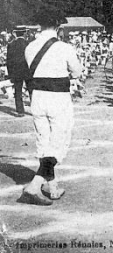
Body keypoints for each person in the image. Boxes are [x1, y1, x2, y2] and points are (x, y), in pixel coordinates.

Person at [19, 11, 82, 206]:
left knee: (44, 141)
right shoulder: (64, 47)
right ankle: (35, 185)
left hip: (37, 97)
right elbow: (77, 71)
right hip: (58, 97)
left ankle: (52, 187)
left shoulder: (30, 47)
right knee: (58, 141)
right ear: (58, 28)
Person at [6, 28, 30, 116]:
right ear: (24, 33)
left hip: (16, 70)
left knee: (18, 91)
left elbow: (8, 61)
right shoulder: (28, 44)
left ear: (15, 33)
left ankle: (20, 110)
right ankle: (35, 109)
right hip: (28, 70)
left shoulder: (11, 44)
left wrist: (10, 74)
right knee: (31, 90)